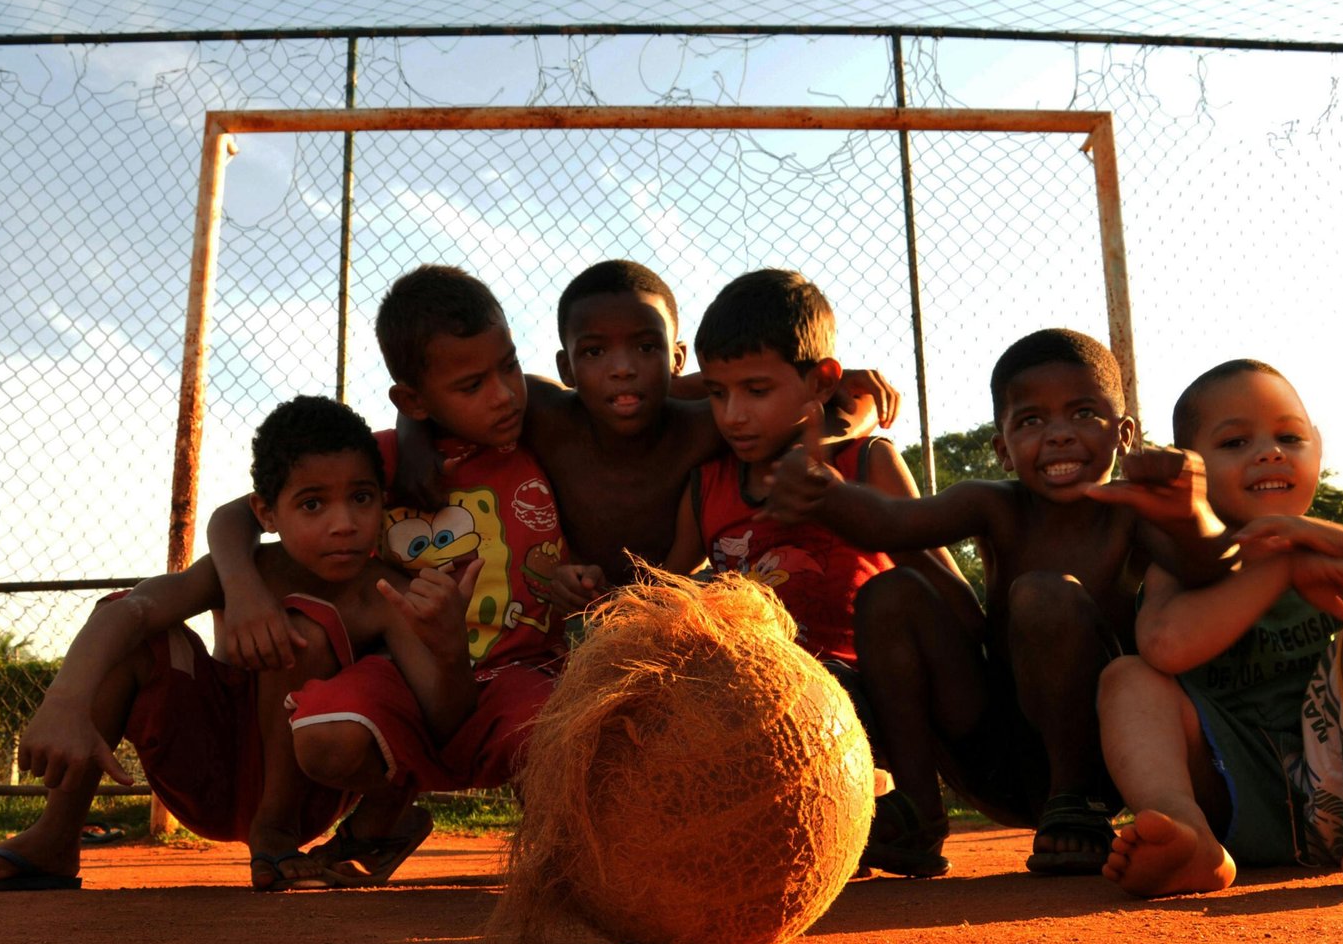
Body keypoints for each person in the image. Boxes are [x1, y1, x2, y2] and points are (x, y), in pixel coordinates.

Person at [0, 396, 478, 892]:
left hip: (311, 786)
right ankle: (54, 837)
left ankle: (277, 827)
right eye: (312, 504)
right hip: (207, 772)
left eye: (361, 498)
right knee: (135, 630)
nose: (344, 524)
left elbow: (443, 720)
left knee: (303, 631)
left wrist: (451, 647)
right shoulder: (244, 570)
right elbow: (133, 607)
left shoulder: (386, 592)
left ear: (381, 500)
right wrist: (64, 702)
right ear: (267, 513)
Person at [762, 327, 1227, 877]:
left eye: (1083, 414)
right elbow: (894, 523)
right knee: (890, 593)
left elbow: (1213, 569)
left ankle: (1075, 801)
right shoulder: (995, 505)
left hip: (1099, 760)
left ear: (1124, 435)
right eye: (1032, 421)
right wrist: (823, 493)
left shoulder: (1135, 513)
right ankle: (919, 810)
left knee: (1043, 594)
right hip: (993, 750)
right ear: (1003, 448)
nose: (1058, 436)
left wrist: (1193, 514)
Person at [206, 266, 571, 882]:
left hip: (524, 671)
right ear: (414, 402)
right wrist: (243, 592)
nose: (504, 394)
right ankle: (380, 810)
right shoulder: (376, 463)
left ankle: (563, 861)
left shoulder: (547, 437)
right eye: (472, 383)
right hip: (409, 679)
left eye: (509, 367)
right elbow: (234, 518)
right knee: (325, 737)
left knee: (558, 741)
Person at [1098, 359, 1343, 897]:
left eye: (1289, 436)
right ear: (1194, 469)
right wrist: (1280, 567)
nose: (1269, 451)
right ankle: (1183, 837)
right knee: (1127, 677)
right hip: (1227, 795)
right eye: (1235, 443)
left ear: (1318, 447)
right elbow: (1166, 646)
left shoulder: (1342, 552)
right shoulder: (1183, 561)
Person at [392, 259, 903, 613]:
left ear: (675, 357)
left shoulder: (707, 423)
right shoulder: (541, 410)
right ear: (566, 367)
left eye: (644, 348)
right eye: (594, 353)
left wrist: (832, 433)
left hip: (673, 604)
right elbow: (431, 394)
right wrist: (413, 439)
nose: (621, 369)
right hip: (576, 606)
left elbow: (823, 393)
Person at [662, 268, 974, 673]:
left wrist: (863, 516)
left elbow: (962, 611)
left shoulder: (866, 462)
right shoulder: (707, 488)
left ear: (823, 382)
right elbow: (663, 595)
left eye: (757, 391)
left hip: (871, 701)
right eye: (717, 394)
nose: (732, 416)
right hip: (750, 695)